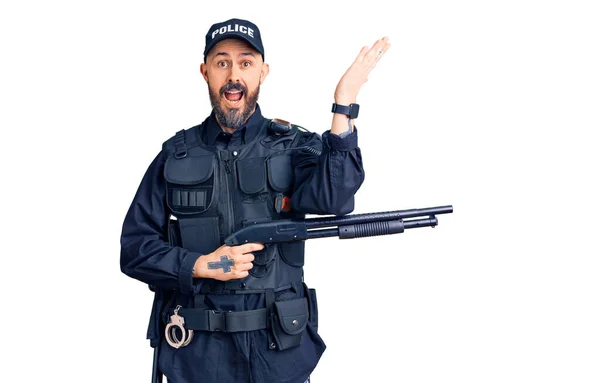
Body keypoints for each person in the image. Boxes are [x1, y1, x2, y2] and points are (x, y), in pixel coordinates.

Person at [120, 17, 390, 383]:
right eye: (222, 62)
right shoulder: (176, 154)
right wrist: (203, 265)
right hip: (197, 355)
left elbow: (336, 198)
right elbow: (135, 249)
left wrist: (344, 105)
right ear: (205, 73)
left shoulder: (295, 145)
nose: (234, 75)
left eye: (245, 63)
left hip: (278, 352)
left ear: (263, 72)